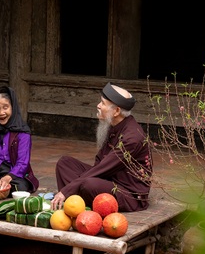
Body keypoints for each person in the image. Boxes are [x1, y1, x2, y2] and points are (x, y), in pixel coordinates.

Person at [51, 83, 152, 212]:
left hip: (128, 195)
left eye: (103, 103)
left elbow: (103, 168)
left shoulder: (132, 138)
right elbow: (99, 163)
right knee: (65, 163)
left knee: (88, 184)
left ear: (116, 111)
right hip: (107, 179)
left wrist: (67, 190)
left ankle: (75, 203)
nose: (98, 106)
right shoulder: (114, 124)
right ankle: (75, 203)